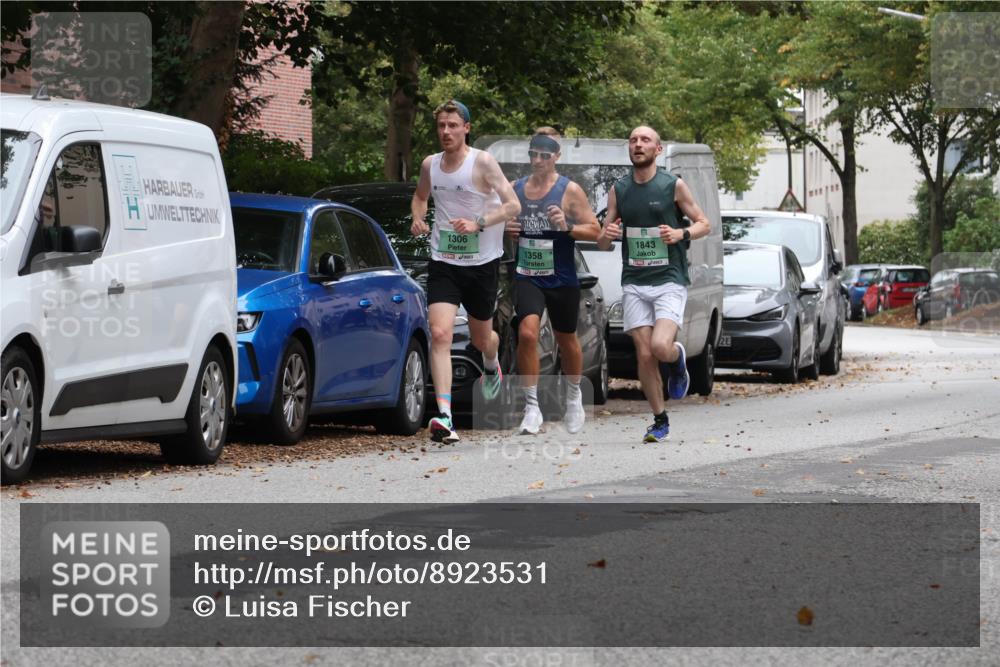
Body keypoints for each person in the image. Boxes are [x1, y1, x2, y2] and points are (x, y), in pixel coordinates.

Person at [411, 100, 521, 444]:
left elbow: (513, 205)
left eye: (453, 125)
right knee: (440, 333)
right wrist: (418, 216)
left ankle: (491, 361)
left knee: (480, 339)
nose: (446, 132)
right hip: (444, 260)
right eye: (441, 125)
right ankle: (444, 415)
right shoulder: (431, 164)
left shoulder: (483, 162)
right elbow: (419, 196)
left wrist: (479, 223)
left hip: (482, 263)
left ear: (466, 128)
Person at [596, 126, 711, 442]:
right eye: (633, 140)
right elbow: (603, 241)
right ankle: (660, 419)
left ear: (658, 150)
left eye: (645, 140)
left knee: (660, 347)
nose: (638, 144)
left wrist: (680, 234)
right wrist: (607, 236)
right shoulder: (619, 190)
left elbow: (705, 223)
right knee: (644, 355)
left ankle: (676, 359)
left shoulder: (672, 185)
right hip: (634, 281)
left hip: (669, 280)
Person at [505, 128, 601, 435]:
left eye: (545, 155)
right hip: (528, 273)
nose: (538, 160)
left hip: (560, 275)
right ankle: (531, 406)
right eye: (534, 154)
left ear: (556, 156)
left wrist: (566, 226)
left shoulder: (569, 190)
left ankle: (574, 396)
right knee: (528, 333)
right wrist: (506, 227)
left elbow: (596, 231)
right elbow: (495, 220)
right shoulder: (515, 188)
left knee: (566, 339)